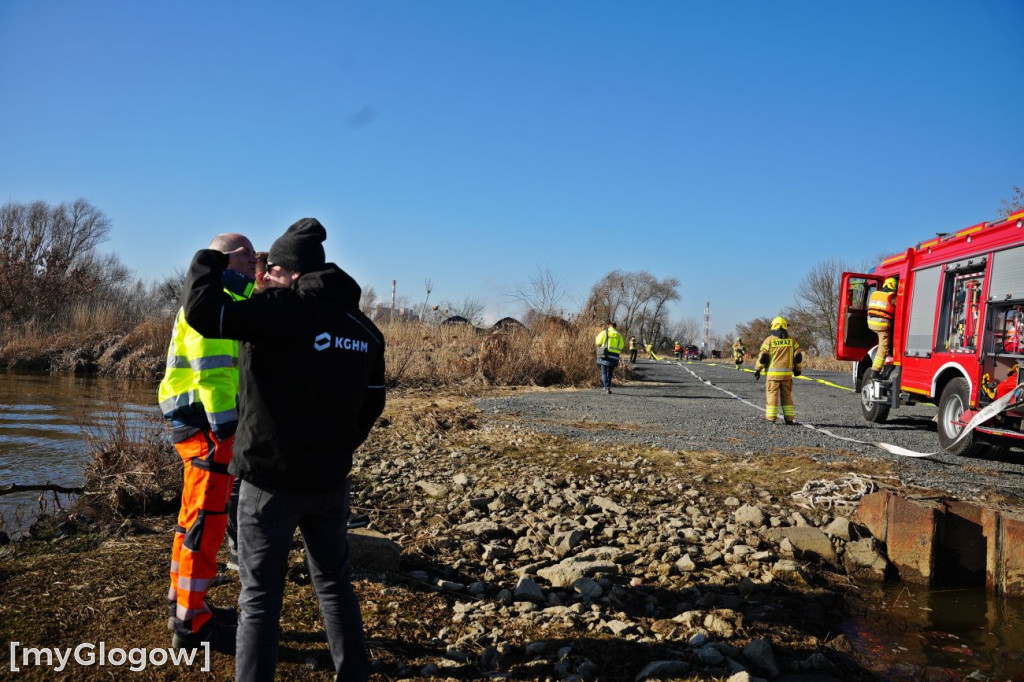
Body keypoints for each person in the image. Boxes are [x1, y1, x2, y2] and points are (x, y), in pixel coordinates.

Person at [182, 218, 385, 681]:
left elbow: (202, 311)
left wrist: (214, 258)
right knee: (334, 583)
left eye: (269, 268)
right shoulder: (365, 330)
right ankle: (353, 674)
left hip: (269, 482)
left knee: (259, 598)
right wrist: (338, 446)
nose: (263, 275)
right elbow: (373, 401)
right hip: (330, 482)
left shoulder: (277, 310)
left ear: (289, 271)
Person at [158, 233, 256, 650]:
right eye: (247, 253)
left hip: (196, 422)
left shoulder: (226, 297)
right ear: (225, 259)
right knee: (207, 521)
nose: (257, 259)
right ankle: (192, 623)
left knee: (191, 516)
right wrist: (225, 429)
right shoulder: (215, 300)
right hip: (206, 425)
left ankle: (181, 600)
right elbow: (213, 371)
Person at [754, 316, 803, 424]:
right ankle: (789, 419)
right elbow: (798, 356)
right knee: (787, 396)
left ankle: (771, 418)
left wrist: (757, 369)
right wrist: (798, 369)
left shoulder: (769, 340)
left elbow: (763, 357)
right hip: (787, 376)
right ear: (785, 326)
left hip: (772, 377)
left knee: (772, 396)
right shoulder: (792, 340)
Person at [866, 277, 898, 380]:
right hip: (882, 324)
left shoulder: (875, 293)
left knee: (880, 344)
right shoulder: (891, 295)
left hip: (871, 322)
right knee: (884, 348)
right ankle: (875, 371)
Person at [594, 320, 624, 394]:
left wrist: (601, 345)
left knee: (604, 372)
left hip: (605, 354)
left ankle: (606, 388)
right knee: (610, 372)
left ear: (609, 325)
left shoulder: (604, 332)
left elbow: (598, 342)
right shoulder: (619, 335)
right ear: (615, 326)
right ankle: (608, 387)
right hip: (614, 356)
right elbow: (621, 345)